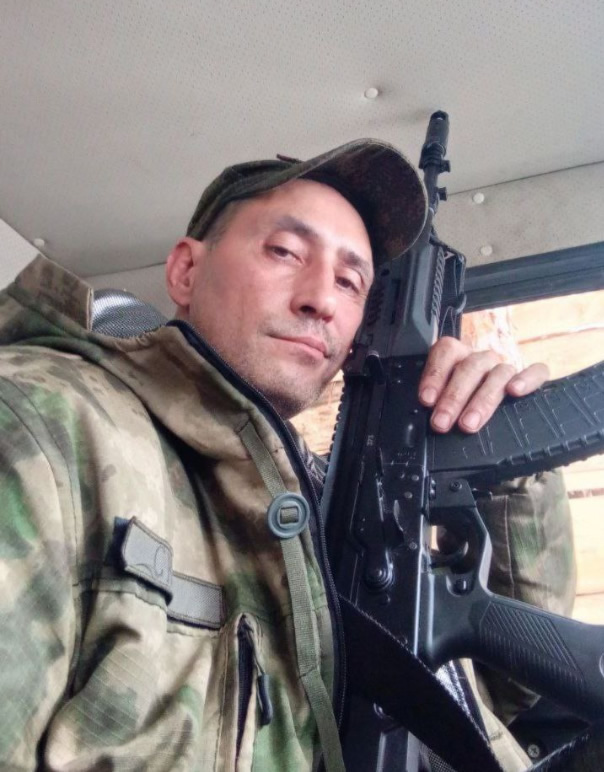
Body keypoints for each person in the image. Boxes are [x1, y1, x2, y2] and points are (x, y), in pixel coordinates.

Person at [0, 140, 574, 771]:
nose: (321, 299)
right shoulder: (43, 422)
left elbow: (499, 694)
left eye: (351, 282)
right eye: (285, 252)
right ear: (185, 271)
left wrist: (495, 454)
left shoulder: (326, 497)